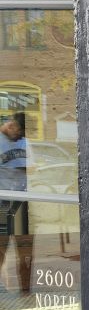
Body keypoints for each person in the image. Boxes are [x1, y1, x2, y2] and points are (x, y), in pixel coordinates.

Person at [0, 113, 32, 293]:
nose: (19, 135)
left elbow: (33, 168)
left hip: (21, 200)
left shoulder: (24, 142)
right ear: (10, 125)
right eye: (18, 131)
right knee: (1, 248)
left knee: (24, 250)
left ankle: (26, 291)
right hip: (2, 203)